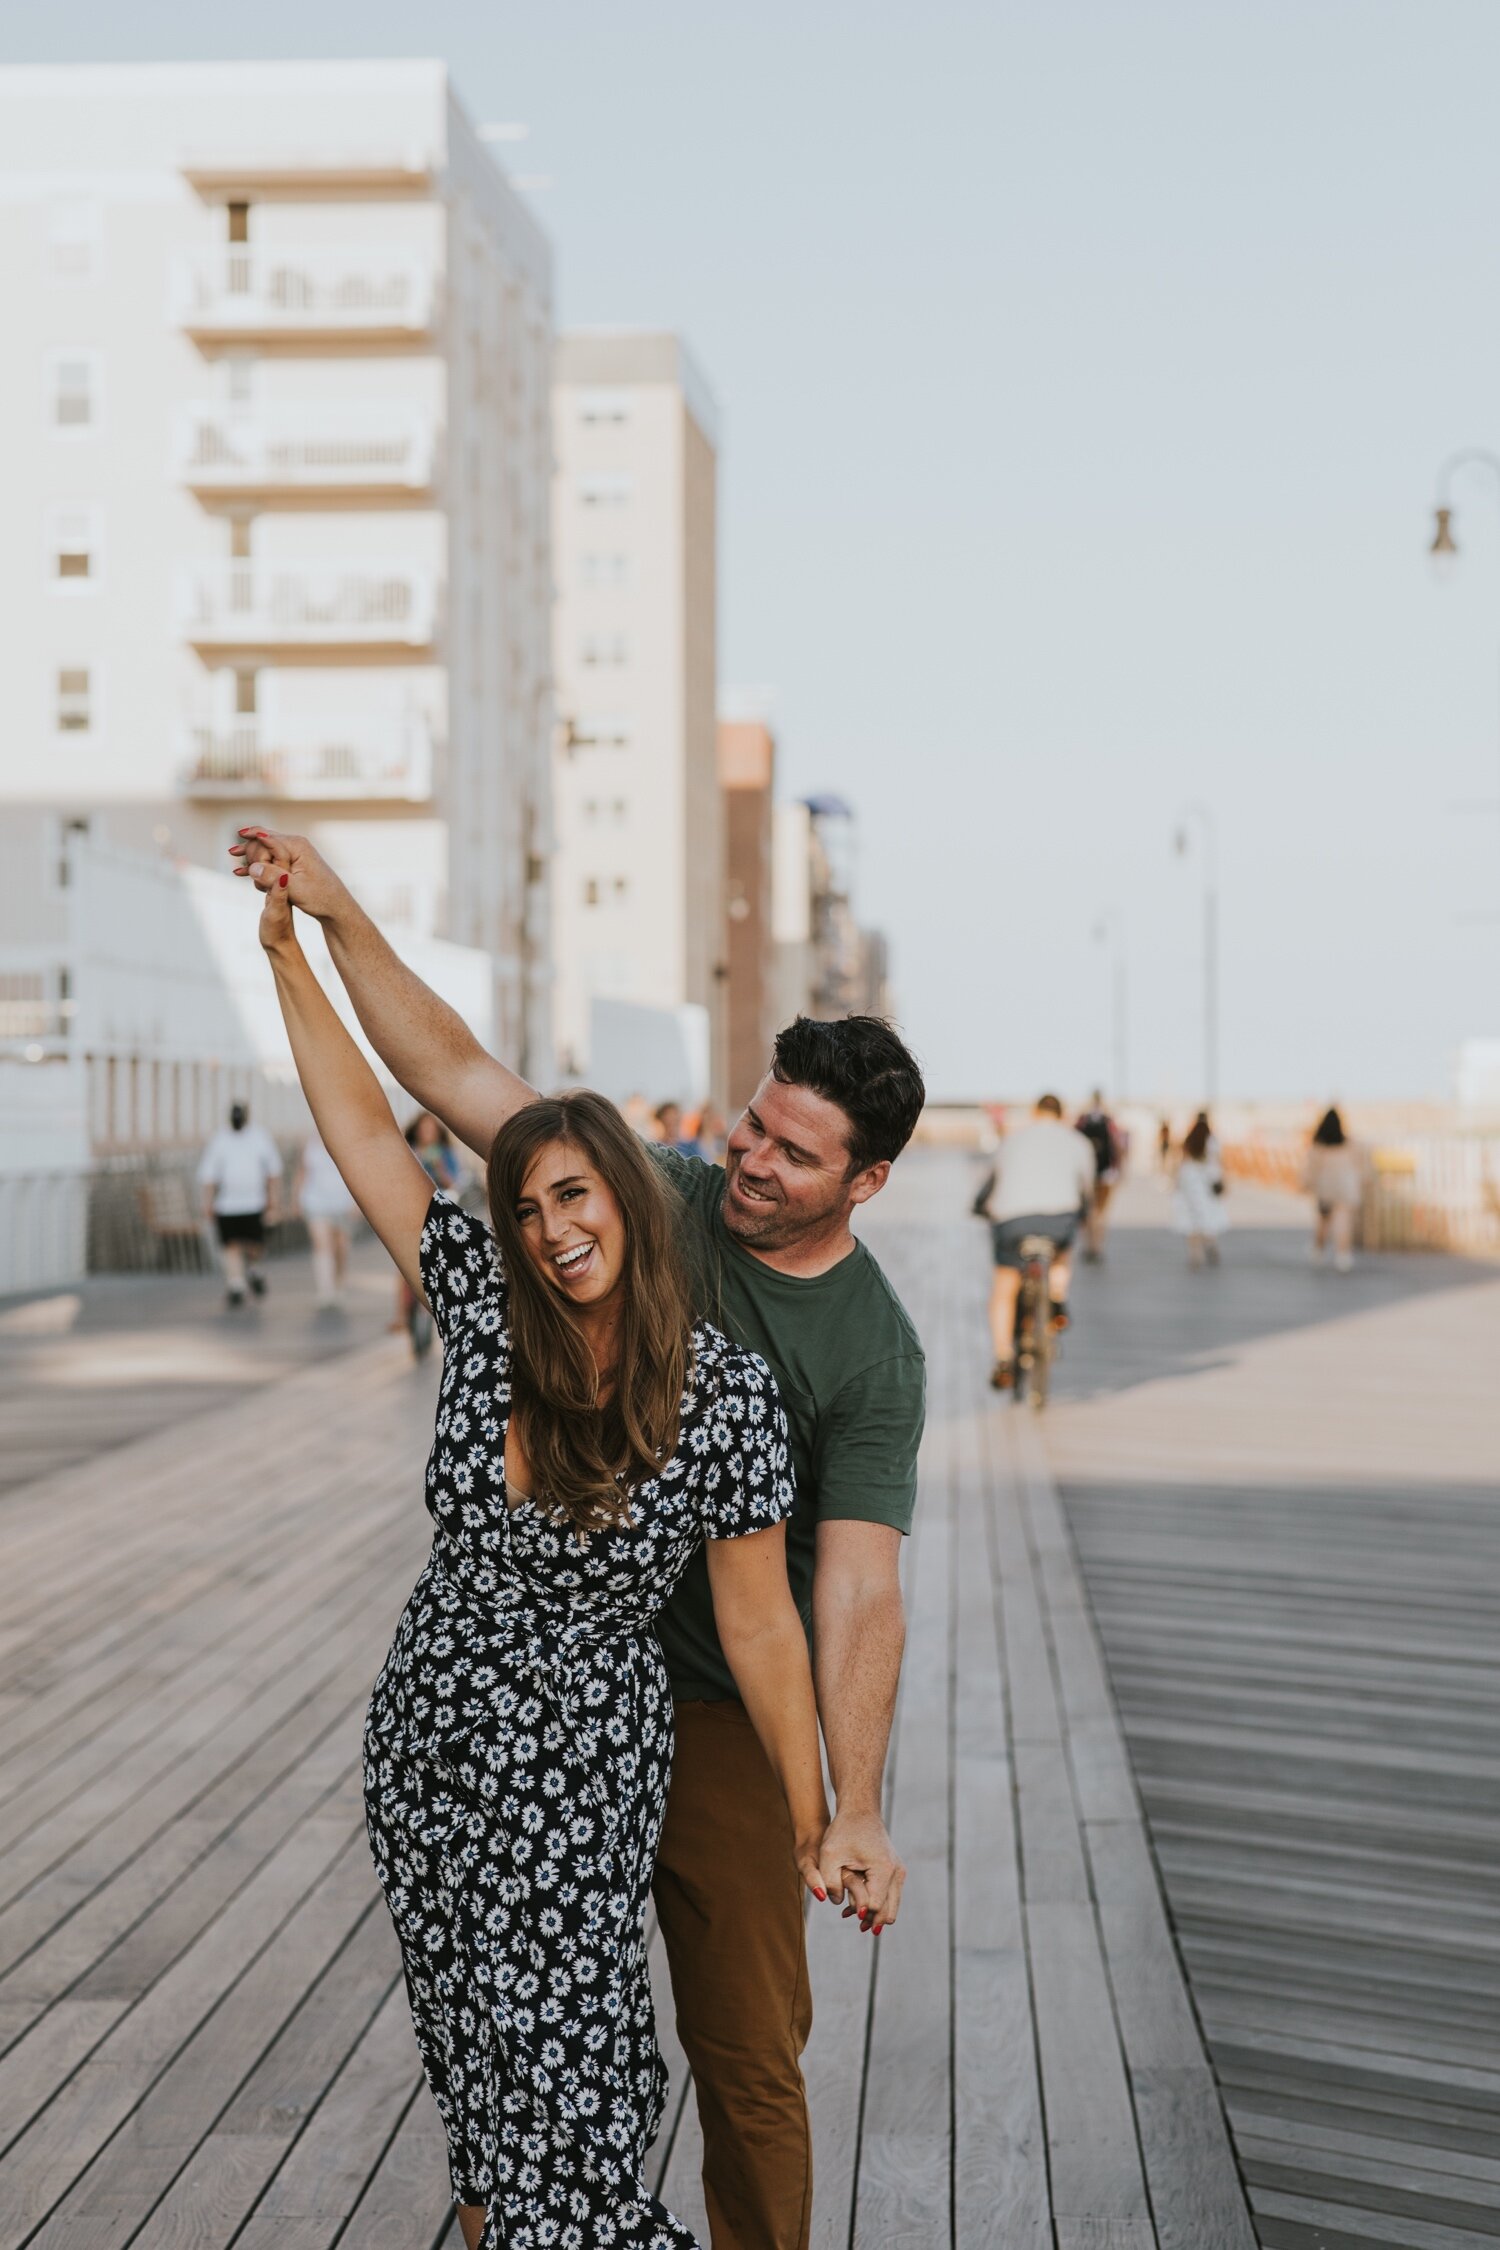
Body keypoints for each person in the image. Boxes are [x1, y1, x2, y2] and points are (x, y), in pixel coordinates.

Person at [230, 824, 925, 2250]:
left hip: (650, 1723)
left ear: (862, 1182)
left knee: (704, 2057)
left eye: (793, 1154)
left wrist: (839, 1805)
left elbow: (819, 1603)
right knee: (489, 2069)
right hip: (438, 1733)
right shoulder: (525, 1275)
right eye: (748, 1125)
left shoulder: (840, 1361)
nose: (750, 1160)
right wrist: (310, 934)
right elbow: (407, 1100)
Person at [971, 1094, 1096, 1390]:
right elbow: (1086, 1190)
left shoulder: (1013, 1140)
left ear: (1035, 1113)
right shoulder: (1078, 1142)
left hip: (1012, 1220)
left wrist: (979, 1206)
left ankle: (1003, 1357)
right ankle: (1056, 1296)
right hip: (1058, 1218)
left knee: (1005, 1286)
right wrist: (1085, 1215)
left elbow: (991, 1182)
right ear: (1061, 1114)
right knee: (1064, 1250)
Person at [197, 1100, 282, 1306]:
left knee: (254, 1244)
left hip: (254, 1202)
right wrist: (207, 1203)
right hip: (228, 1204)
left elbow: (272, 1171)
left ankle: (254, 1270)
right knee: (231, 1245)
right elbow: (209, 1175)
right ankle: (236, 1284)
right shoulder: (220, 1139)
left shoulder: (259, 1137)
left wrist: (273, 1200)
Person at [392, 1113, 464, 1337]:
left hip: (441, 1214)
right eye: (423, 1129)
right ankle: (402, 1316)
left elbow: (455, 1183)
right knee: (404, 1265)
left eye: (431, 1129)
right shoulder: (410, 1152)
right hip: (412, 1213)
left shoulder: (447, 1154)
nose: (427, 1133)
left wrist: (440, 1166)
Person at [295, 1132, 357, 1310]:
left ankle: (339, 1283)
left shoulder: (345, 1139)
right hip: (315, 1202)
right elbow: (302, 1172)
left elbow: (355, 1171)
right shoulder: (308, 1143)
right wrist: (296, 1198)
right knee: (321, 1244)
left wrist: (357, 1203)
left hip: (342, 1202)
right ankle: (325, 1289)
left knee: (341, 1247)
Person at [1304, 1105, 1362, 1272]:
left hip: (1326, 1188)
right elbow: (1358, 1165)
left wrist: (1307, 1184)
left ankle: (1318, 1251)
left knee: (1323, 1221)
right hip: (1345, 1187)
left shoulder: (1320, 1144)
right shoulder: (1349, 1143)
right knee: (1343, 1222)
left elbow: (1312, 1168)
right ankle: (1343, 1256)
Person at [1074, 1089, 1124, 1261]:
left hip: (1086, 1174)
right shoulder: (1108, 1121)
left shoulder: (1082, 1120)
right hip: (1105, 1173)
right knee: (1101, 1213)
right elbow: (1118, 1145)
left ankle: (1088, 1245)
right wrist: (1120, 1169)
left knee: (1088, 1212)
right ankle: (1098, 1246)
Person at [1174, 1109, 1227, 1266]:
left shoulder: (1190, 1138)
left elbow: (1183, 1160)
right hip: (1207, 1181)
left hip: (1189, 1180)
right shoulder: (1212, 1139)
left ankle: (1195, 1254)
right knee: (1209, 1214)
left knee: (1191, 1217)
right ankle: (1211, 1243)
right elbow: (1218, 1161)